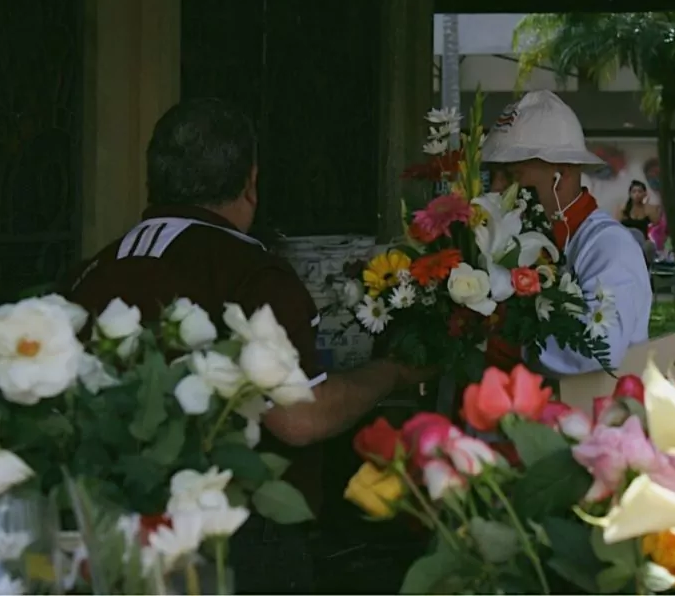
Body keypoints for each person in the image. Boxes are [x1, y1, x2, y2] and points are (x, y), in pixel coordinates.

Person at [64, 98, 436, 594]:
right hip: (234, 545)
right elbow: (300, 416)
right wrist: (392, 371)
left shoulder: (92, 270)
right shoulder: (248, 271)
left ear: (153, 178)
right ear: (250, 182)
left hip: (110, 533)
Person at [482, 90, 652, 374]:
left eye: (512, 176)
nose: (496, 190)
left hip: (596, 415)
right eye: (494, 176)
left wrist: (510, 343)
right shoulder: (514, 241)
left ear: (562, 173)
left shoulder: (608, 245)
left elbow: (600, 348)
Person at [619, 179, 660, 264]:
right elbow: (615, 225)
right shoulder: (623, 209)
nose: (637, 194)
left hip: (642, 244)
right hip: (625, 243)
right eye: (634, 192)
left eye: (640, 191)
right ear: (630, 194)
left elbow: (656, 222)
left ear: (645, 193)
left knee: (650, 245)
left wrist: (649, 208)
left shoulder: (648, 209)